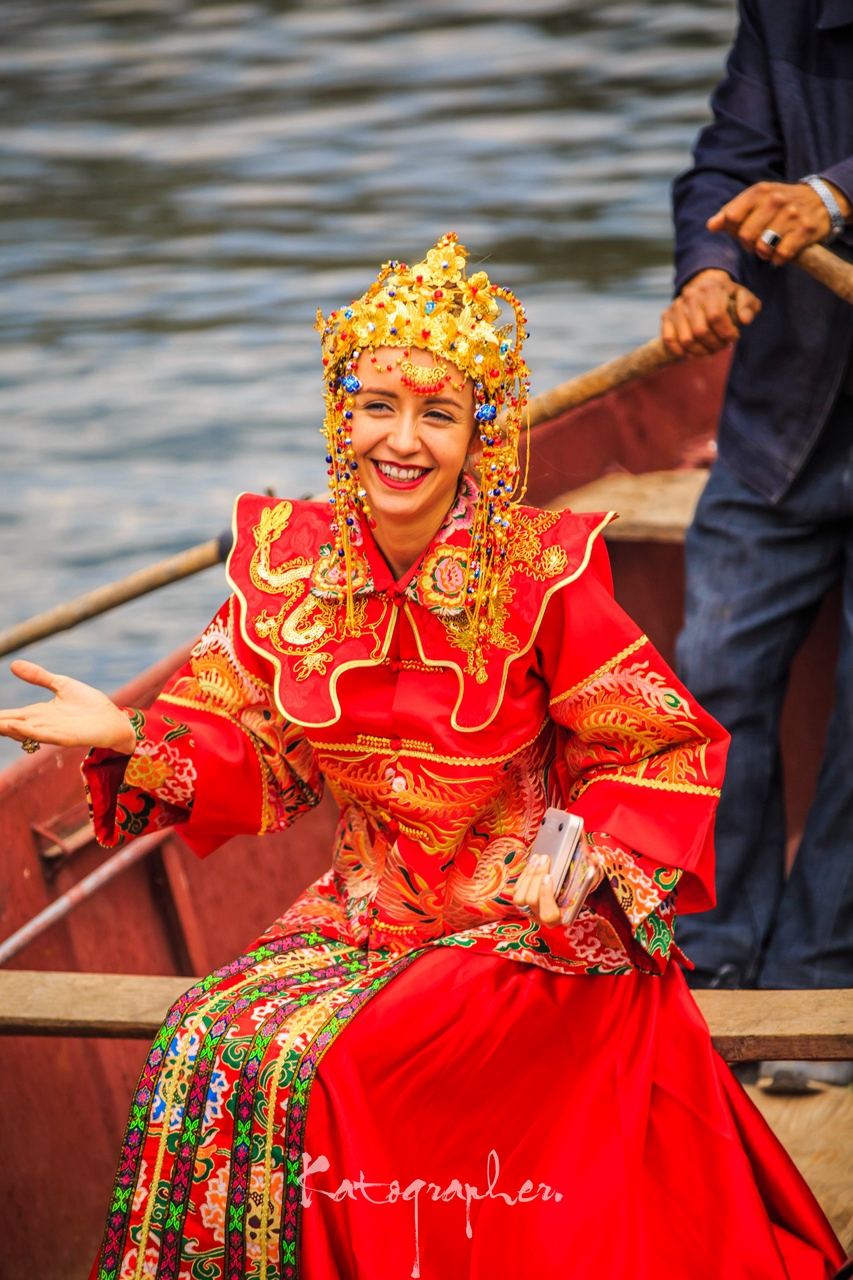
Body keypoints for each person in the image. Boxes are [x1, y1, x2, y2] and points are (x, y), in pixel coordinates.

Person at [1, 235, 843, 1279]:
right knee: (200, 1043)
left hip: (528, 927)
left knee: (326, 1060)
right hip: (362, 912)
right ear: (341, 417)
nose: (400, 441)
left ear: (478, 437)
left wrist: (583, 858)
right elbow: (268, 763)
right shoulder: (290, 571)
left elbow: (656, 746)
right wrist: (136, 737)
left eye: (437, 414)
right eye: (377, 407)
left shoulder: (538, 576)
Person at [660, 0, 853, 1023]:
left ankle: (820, 980)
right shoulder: (783, 9)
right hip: (781, 423)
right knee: (710, 675)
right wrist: (708, 270)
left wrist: (831, 195)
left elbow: (810, 192)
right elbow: (723, 168)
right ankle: (715, 967)